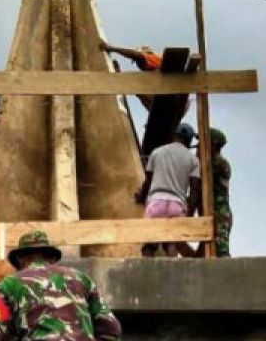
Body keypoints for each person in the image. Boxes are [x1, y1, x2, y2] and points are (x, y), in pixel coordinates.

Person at [136, 123, 201, 258]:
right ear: (189, 141)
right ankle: (173, 275)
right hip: (177, 205)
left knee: (149, 246)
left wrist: (141, 197)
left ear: (174, 136)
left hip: (156, 202)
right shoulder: (193, 160)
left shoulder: (157, 152)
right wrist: (188, 217)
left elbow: (148, 181)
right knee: (171, 245)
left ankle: (144, 273)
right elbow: (194, 191)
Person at [99, 41, 163, 110]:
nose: (138, 65)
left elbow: (137, 56)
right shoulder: (148, 77)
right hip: (160, 102)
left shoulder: (154, 59)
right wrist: (118, 74)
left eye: (137, 62)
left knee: (139, 86)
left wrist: (111, 48)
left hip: (165, 93)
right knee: (137, 89)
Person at [210, 127, 233, 258]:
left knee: (221, 250)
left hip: (220, 211)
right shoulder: (216, 162)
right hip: (218, 210)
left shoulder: (219, 163)